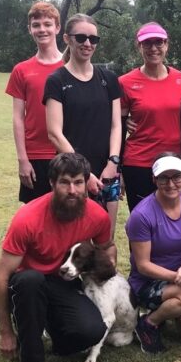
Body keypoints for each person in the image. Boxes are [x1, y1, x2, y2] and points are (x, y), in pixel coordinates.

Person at [0, 153, 115, 362]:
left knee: (91, 331)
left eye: (78, 182)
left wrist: (106, 276)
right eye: (64, 182)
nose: (72, 190)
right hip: (28, 284)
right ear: (51, 183)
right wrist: (5, 332)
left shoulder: (98, 215)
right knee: (30, 281)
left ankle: (54, 331)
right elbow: (0, 277)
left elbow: (107, 248)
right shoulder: (28, 218)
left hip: (64, 282)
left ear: (86, 183)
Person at [126, 154, 181, 354]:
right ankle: (148, 323)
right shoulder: (141, 215)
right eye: (164, 178)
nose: (171, 184)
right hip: (148, 282)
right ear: (154, 179)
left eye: (177, 177)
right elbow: (143, 265)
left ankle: (167, 311)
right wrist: (179, 277)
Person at [44, 13, 123, 228]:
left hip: (108, 173)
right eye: (81, 38)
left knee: (105, 240)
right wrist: (83, 174)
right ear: (67, 39)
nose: (87, 43)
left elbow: (117, 125)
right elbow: (54, 132)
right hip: (71, 176)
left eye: (93, 39)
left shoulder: (109, 79)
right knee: (73, 241)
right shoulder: (56, 80)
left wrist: (113, 163)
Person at [118, 22, 181, 210]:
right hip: (139, 162)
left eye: (159, 42)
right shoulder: (125, 82)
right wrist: (119, 169)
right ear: (139, 46)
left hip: (173, 162)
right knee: (141, 221)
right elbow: (117, 126)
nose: (154, 48)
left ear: (167, 45)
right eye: (147, 43)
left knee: (172, 219)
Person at [5, 1, 64, 203]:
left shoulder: (72, 66)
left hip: (68, 150)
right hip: (36, 154)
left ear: (57, 27)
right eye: (36, 25)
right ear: (30, 29)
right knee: (37, 219)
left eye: (47, 24)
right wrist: (23, 159)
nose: (42, 29)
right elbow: (18, 117)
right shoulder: (21, 70)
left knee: (71, 216)